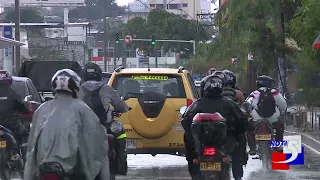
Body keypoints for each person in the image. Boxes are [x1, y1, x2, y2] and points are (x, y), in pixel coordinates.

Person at [24, 69, 110, 180]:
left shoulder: (41, 109)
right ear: (75, 88)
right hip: (73, 170)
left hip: (43, 169)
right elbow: (98, 140)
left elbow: (31, 148)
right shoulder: (83, 109)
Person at [182, 75, 248, 180]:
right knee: (240, 141)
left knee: (188, 141)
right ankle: (238, 174)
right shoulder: (230, 104)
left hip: (203, 146)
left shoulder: (196, 105)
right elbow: (243, 123)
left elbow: (185, 123)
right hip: (225, 145)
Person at [78, 62, 129, 176]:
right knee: (121, 134)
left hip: (83, 128)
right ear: (99, 75)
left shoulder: (78, 89)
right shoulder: (106, 89)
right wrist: (125, 108)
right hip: (104, 128)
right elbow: (121, 106)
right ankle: (120, 166)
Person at [245, 75, 287, 155]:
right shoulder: (275, 93)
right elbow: (283, 106)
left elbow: (247, 105)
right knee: (280, 127)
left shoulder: (254, 94)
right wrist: (281, 112)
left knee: (249, 128)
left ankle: (252, 148)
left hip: (256, 120)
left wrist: (249, 114)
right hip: (273, 120)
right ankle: (278, 145)